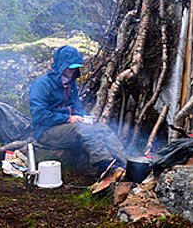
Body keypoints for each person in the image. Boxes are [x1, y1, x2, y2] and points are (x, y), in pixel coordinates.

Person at [29, 45, 126, 178]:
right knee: (83, 130)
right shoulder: (42, 84)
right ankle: (107, 166)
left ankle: (124, 164)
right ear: (61, 65)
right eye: (70, 66)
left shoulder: (70, 82)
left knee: (102, 128)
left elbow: (76, 107)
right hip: (46, 131)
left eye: (76, 67)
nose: (73, 70)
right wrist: (68, 119)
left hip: (66, 127)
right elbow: (39, 116)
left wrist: (85, 117)